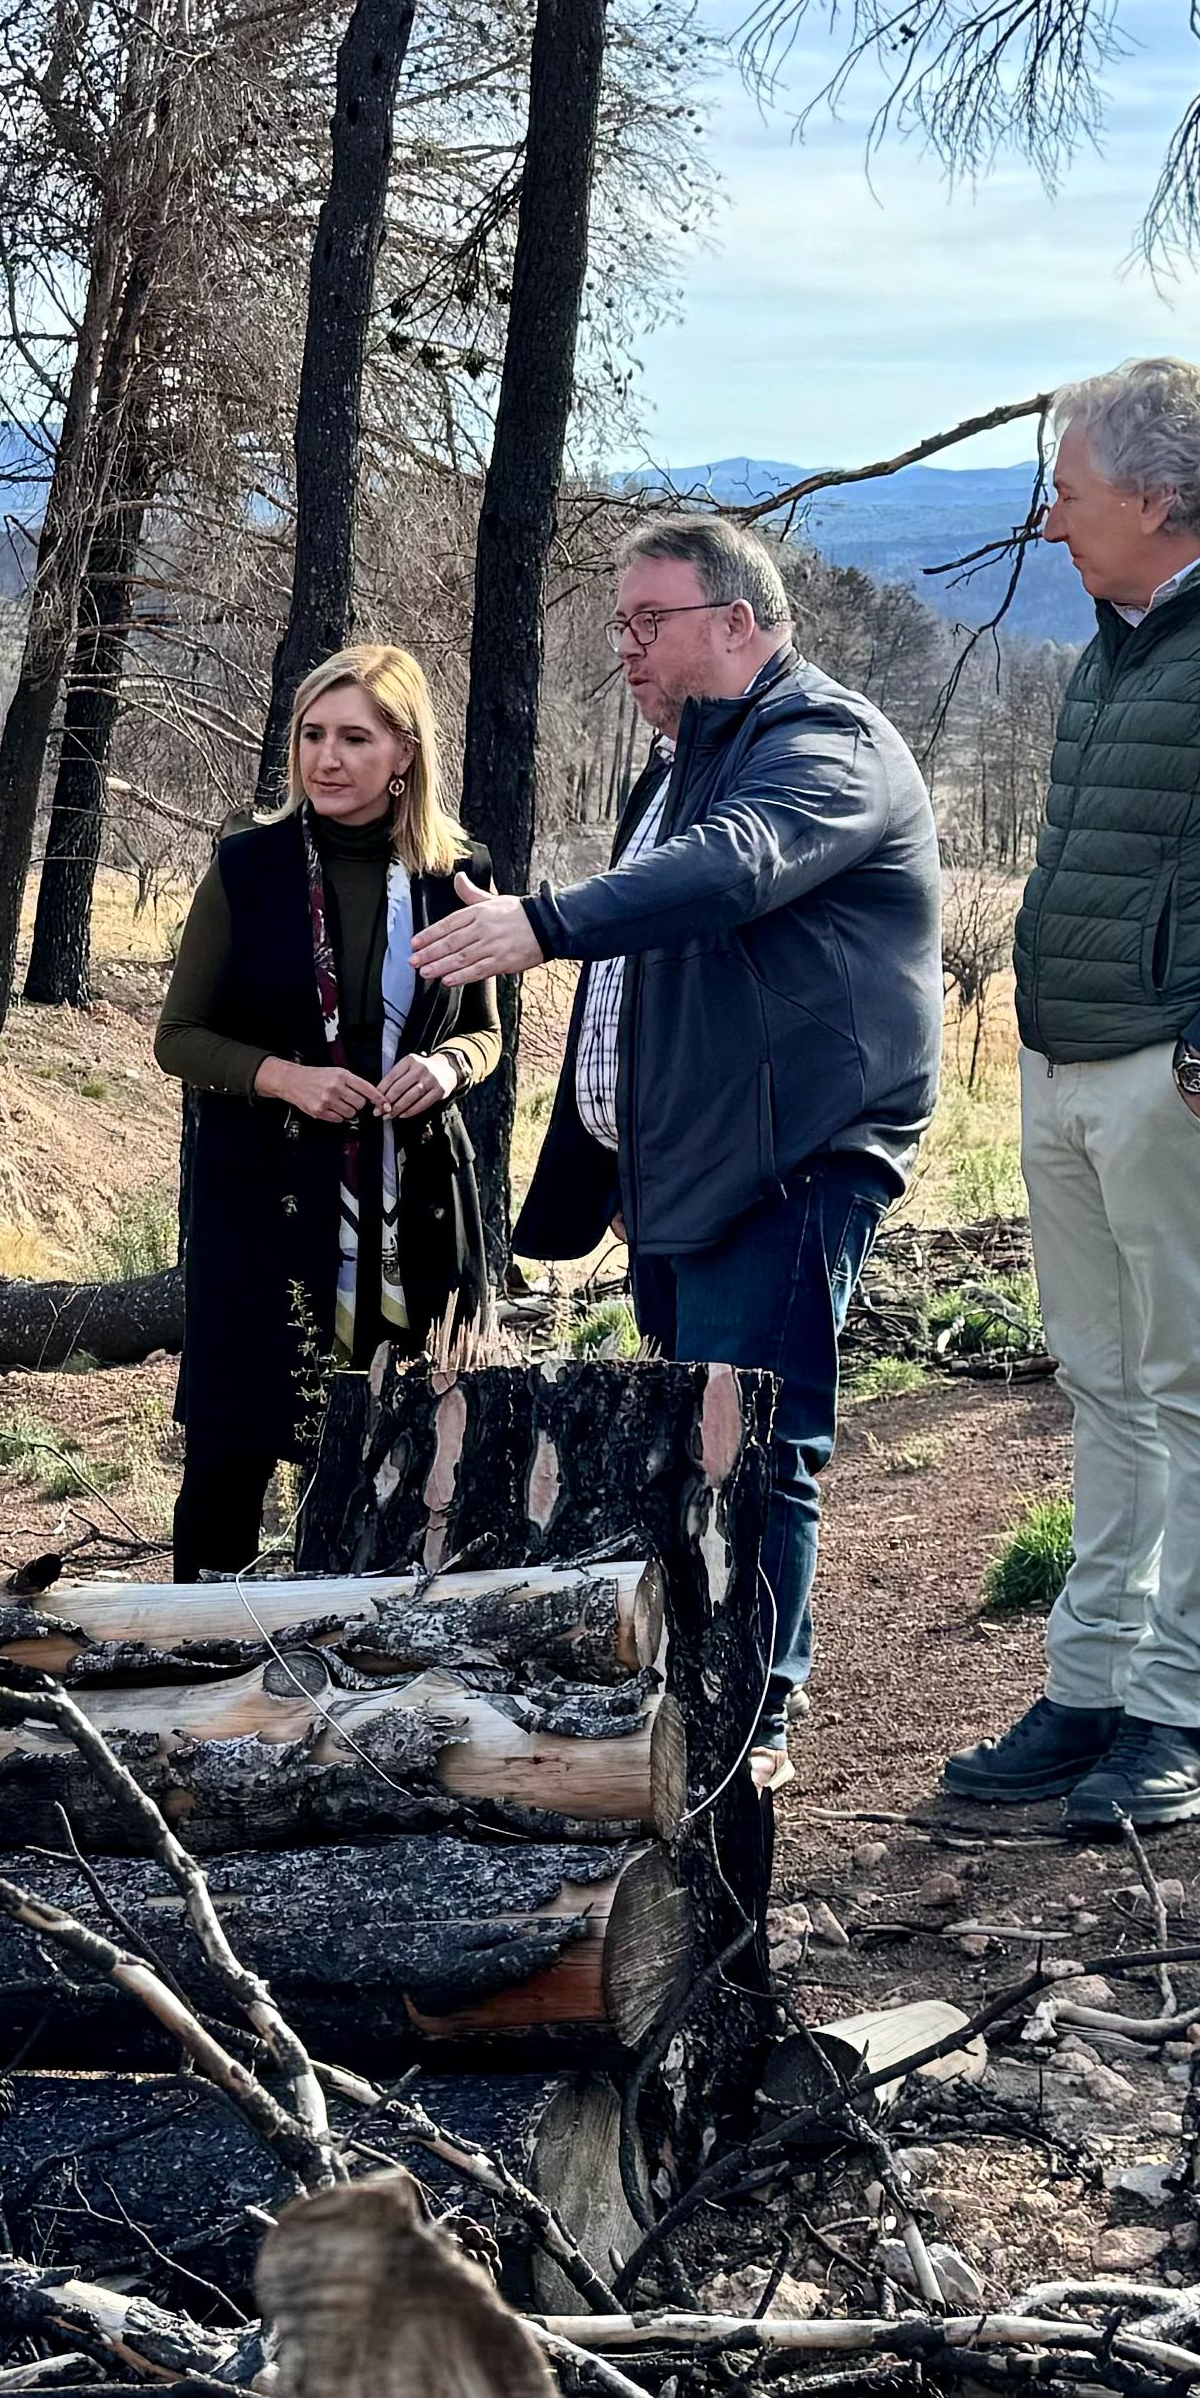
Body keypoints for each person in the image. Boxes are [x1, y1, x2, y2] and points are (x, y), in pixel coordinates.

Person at [420, 513, 943, 1791]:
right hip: (684, 1172)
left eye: (650, 624)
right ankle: (703, 1690)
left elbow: (734, 871)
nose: (628, 650)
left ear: (740, 622)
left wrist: (544, 924)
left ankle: (753, 1721)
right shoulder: (673, 768)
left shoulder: (824, 743)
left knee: (758, 1443)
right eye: (620, 625)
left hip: (789, 1160)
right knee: (692, 1439)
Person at [938, 359, 1200, 1835]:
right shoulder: (1133, 631)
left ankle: (1180, 1708)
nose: (1052, 522)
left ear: (1157, 500)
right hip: (1074, 1058)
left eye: (1068, 491)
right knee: (1103, 1383)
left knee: (1193, 1388)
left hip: (1184, 1070)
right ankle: (1091, 1684)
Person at [153, 642, 503, 1577]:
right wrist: (286, 1078)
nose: (326, 758)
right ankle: (192, 1672)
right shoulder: (247, 869)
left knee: (404, 1448)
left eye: (354, 736)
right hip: (263, 1206)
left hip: (415, 1206)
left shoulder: (454, 874)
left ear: (404, 754)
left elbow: (485, 1033)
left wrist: (443, 1067)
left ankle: (375, 1671)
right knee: (232, 1453)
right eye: (311, 734)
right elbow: (177, 1037)